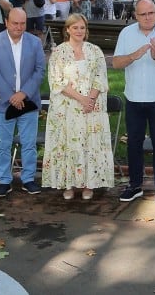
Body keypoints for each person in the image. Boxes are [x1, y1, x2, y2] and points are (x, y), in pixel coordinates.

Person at [112, 0, 155, 203]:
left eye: (151, 13)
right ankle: (135, 185)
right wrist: (133, 55)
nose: (148, 17)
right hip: (134, 98)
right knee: (134, 143)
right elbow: (116, 62)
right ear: (136, 15)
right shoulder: (126, 33)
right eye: (143, 14)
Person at [42, 13, 115, 199]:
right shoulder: (59, 52)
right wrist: (81, 99)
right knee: (68, 144)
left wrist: (90, 99)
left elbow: (100, 77)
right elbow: (56, 81)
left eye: (82, 27)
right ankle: (68, 184)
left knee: (89, 145)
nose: (79, 31)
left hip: (91, 108)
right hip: (67, 108)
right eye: (75, 27)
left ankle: (88, 184)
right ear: (67, 29)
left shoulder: (95, 51)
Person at [0, 8, 47, 197]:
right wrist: (10, 96)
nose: (19, 27)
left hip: (28, 102)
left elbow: (39, 71)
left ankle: (28, 179)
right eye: (15, 23)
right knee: (3, 144)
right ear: (6, 22)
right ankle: (4, 180)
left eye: (22, 23)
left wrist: (23, 94)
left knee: (29, 143)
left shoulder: (35, 42)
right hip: (2, 102)